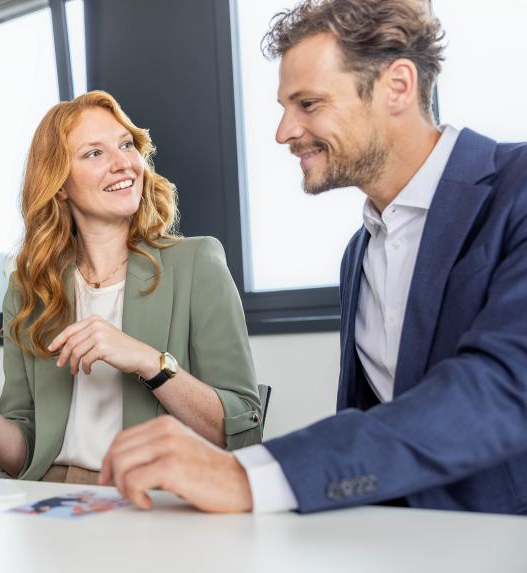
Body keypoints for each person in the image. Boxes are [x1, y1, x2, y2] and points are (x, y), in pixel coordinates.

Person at [101, 0, 527, 514]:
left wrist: (251, 476)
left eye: (308, 104)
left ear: (397, 86)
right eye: (285, 107)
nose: (284, 131)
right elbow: (376, 424)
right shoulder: (360, 253)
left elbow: (502, 388)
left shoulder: (516, 189)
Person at [0, 90, 262, 484]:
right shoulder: (29, 290)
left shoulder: (197, 263)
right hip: (48, 493)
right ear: (60, 185)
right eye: (94, 153)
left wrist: (147, 360)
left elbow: (240, 433)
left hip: (151, 498)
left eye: (126, 145)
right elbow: (21, 458)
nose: (122, 163)